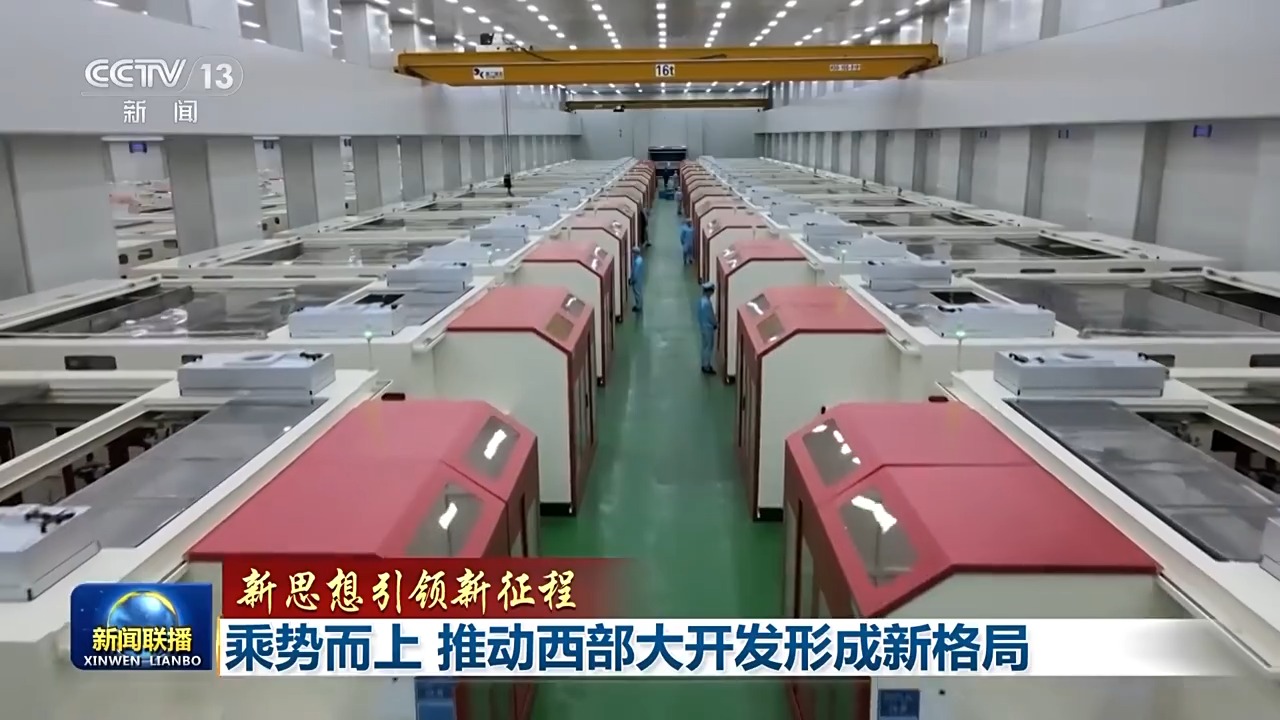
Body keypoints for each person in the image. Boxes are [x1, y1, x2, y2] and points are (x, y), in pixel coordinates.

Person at [697, 282, 717, 374]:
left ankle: (703, 364)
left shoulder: (701, 301)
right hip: (708, 328)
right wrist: (715, 323)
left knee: (704, 346)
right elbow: (711, 316)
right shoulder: (707, 304)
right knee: (709, 347)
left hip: (702, 326)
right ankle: (707, 366)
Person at [630, 248, 646, 313]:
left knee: (637, 293)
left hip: (636, 280)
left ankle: (638, 306)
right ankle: (639, 305)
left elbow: (635, 272)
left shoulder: (637, 262)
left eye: (633, 252)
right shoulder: (640, 259)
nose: (632, 254)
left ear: (635, 253)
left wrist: (632, 280)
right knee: (639, 292)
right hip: (640, 278)